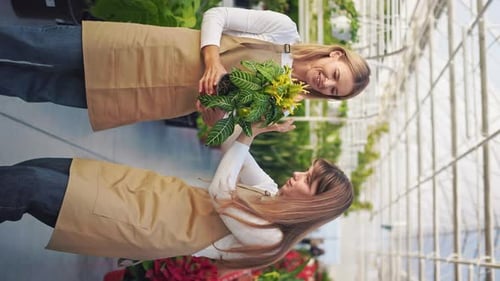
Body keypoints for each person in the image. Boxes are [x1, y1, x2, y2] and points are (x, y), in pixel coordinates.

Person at [0, 119, 353, 269]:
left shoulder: (269, 237)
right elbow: (236, 148)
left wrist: (249, 136)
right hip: (142, 193)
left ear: (315, 202)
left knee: (28, 184)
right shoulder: (268, 192)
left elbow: (221, 193)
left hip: (135, 222)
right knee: (35, 170)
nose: (297, 174)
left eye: (308, 179)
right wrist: (247, 122)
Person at [0, 7, 371, 131]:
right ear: (334, 55)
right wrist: (211, 60)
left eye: (332, 91)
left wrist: (255, 129)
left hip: (148, 97)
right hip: (141, 53)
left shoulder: (282, 105)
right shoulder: (284, 30)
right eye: (334, 76)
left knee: (37, 88)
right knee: (35, 42)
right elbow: (217, 15)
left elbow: (216, 129)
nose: (325, 84)